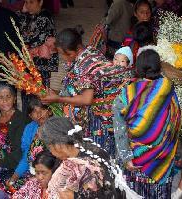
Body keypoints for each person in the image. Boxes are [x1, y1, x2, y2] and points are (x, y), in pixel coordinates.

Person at [41, 27, 131, 155]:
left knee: (101, 155)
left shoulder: (85, 64)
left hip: (102, 120)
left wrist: (58, 99)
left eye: (66, 54)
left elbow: (86, 99)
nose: (64, 58)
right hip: (106, 112)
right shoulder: (90, 51)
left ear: (77, 49)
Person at [113, 49, 181, 198]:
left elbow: (120, 130)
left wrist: (126, 157)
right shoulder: (167, 88)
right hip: (162, 157)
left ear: (137, 68)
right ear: (159, 67)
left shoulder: (126, 94)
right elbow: (175, 120)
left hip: (136, 160)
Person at [40, 117, 122, 198]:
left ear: (58, 145)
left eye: (50, 148)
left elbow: (105, 193)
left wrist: (73, 196)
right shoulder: (83, 147)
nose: (51, 152)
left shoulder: (89, 164)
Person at [17, 0, 59, 113]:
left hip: (40, 64)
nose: (28, 5)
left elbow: (33, 39)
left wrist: (22, 43)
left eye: (31, 2)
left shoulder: (44, 17)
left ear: (40, 2)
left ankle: (40, 120)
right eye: (26, 2)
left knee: (38, 94)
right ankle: (28, 119)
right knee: (27, 92)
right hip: (29, 62)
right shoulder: (27, 16)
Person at [8, 97, 52, 185]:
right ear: (30, 116)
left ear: (50, 111)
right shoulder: (29, 129)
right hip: (33, 170)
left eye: (42, 109)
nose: (39, 114)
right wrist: (14, 176)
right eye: (34, 111)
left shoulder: (55, 127)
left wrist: (39, 141)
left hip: (51, 172)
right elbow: (26, 157)